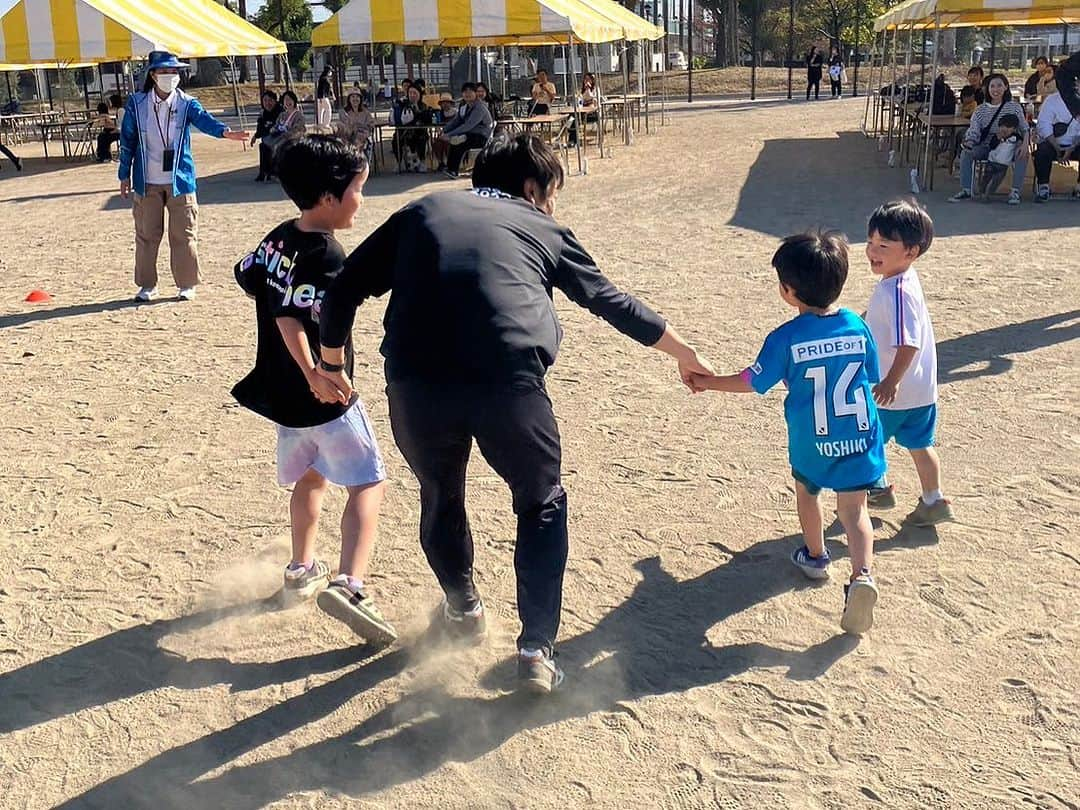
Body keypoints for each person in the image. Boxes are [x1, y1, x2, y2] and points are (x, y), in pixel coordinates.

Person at [315, 133, 712, 693]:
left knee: (440, 492)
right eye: (551, 193)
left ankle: (463, 608)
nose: (552, 206)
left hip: (416, 381)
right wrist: (682, 353)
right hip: (509, 381)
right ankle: (535, 651)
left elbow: (343, 289)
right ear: (532, 188)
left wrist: (331, 363)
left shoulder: (423, 208)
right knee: (540, 500)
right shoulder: (543, 226)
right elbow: (609, 300)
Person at [232, 133, 396, 645]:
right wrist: (317, 372)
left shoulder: (278, 237)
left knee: (311, 478)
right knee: (369, 481)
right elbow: (290, 317)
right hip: (323, 396)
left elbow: (248, 276)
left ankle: (301, 569)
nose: (360, 201)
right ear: (328, 197)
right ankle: (350, 584)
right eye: (357, 190)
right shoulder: (328, 253)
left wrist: (298, 371)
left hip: (285, 400)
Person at [687, 231, 885, 636]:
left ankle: (815, 557)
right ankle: (862, 574)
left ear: (789, 291)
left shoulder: (785, 339)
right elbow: (871, 375)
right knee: (854, 511)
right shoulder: (855, 326)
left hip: (813, 442)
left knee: (807, 495)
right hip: (860, 435)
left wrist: (708, 382)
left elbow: (750, 381)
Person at [118, 51, 249, 302]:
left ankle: (187, 284)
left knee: (184, 233)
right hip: (147, 181)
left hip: (181, 180)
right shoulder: (137, 103)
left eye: (174, 71)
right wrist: (124, 174)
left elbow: (205, 121)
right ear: (153, 74)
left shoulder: (187, 103)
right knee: (146, 235)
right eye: (165, 71)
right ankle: (147, 285)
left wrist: (225, 133)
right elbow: (128, 140)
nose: (170, 76)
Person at [863, 201, 954, 528]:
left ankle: (875, 489)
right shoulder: (904, 279)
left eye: (884, 245)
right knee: (921, 446)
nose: (873, 250)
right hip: (921, 392)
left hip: (891, 393)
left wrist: (889, 382)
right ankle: (933, 499)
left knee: (866, 441)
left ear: (911, 252)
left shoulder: (896, 290)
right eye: (870, 242)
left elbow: (908, 341)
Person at [949, 73, 1028, 205]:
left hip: (1009, 146)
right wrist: (970, 141)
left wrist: (1024, 144)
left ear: (1006, 87)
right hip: (987, 146)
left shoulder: (1014, 107)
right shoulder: (980, 110)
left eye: (999, 86)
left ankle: (1015, 191)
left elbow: (1024, 128)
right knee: (967, 153)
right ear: (987, 88)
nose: (995, 89)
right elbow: (974, 131)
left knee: (1023, 155)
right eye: (992, 86)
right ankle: (966, 189)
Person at [1032, 89, 1080, 202]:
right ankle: (1043, 186)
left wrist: (1071, 148)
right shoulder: (1052, 100)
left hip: (1076, 144)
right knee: (1042, 151)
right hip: (1052, 142)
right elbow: (1043, 124)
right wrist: (1057, 148)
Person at [439, 82, 494, 178]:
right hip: (468, 134)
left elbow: (468, 125)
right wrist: (444, 130)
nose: (467, 94)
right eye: (465, 91)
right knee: (456, 141)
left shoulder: (480, 107)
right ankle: (451, 168)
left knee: (460, 141)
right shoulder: (464, 107)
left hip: (481, 137)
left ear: (475, 93)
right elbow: (456, 121)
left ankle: (453, 170)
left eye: (470, 91)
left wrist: (450, 135)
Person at [975, 114, 1023, 198]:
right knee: (987, 177)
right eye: (1002, 126)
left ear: (1014, 129)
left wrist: (1019, 145)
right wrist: (997, 139)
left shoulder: (1016, 137)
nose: (1004, 129)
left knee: (997, 180)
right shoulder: (996, 136)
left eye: (1008, 127)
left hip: (1003, 165)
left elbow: (1020, 141)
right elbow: (991, 146)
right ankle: (982, 190)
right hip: (992, 162)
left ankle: (989, 193)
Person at [391, 84, 432, 172]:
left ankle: (422, 161)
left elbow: (427, 120)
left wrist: (418, 110)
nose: (412, 95)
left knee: (422, 137)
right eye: (410, 93)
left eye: (415, 93)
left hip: (419, 131)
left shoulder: (423, 106)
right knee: (396, 138)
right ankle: (398, 162)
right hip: (404, 131)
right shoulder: (403, 104)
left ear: (419, 94)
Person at [251, 90, 282, 182]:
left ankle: (272, 172)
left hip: (280, 138)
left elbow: (279, 128)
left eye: (270, 100)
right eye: (265, 100)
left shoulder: (281, 112)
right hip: (268, 138)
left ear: (275, 101)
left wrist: (267, 130)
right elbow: (260, 128)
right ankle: (263, 172)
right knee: (263, 146)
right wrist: (255, 136)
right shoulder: (262, 113)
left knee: (269, 144)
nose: (267, 103)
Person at [338, 91, 375, 161]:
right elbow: (343, 127)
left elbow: (371, 125)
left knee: (367, 144)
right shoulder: (343, 112)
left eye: (357, 97)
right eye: (353, 97)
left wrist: (365, 133)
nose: (355, 99)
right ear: (349, 99)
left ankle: (365, 165)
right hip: (349, 139)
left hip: (364, 138)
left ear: (360, 99)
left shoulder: (365, 112)